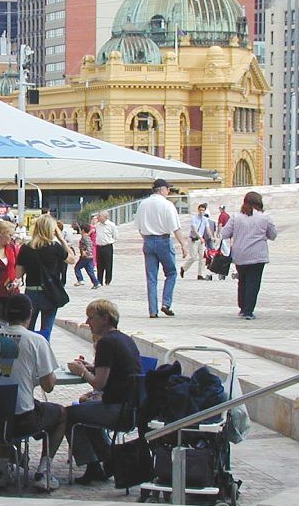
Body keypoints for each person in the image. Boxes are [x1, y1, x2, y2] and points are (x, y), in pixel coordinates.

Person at [0, 294, 65, 490]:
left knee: (4, 404)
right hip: (22, 421)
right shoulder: (36, 341)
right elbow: (49, 385)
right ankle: (43, 471)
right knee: (61, 414)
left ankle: (1, 468)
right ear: (29, 315)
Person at [65, 299, 141, 484]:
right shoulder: (124, 339)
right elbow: (114, 370)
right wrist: (91, 367)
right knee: (85, 413)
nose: (87, 322)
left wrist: (82, 372)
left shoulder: (106, 343)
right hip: (132, 408)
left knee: (67, 414)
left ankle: (94, 465)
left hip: (117, 409)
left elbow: (99, 384)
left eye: (91, 318)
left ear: (105, 319)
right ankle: (108, 458)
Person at [15, 214, 75, 341]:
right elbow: (71, 259)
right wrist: (62, 240)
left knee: (27, 330)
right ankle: (43, 355)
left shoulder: (26, 248)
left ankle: (28, 355)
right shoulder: (55, 247)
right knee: (46, 330)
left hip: (31, 291)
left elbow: (18, 274)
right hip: (50, 291)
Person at [136, 178, 187, 318]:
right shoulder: (167, 205)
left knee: (151, 278)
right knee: (171, 273)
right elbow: (175, 227)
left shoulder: (143, 204)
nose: (168, 191)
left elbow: (139, 227)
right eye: (168, 189)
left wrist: (147, 238)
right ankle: (166, 303)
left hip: (148, 240)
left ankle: (153, 310)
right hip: (163, 240)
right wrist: (183, 244)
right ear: (163, 189)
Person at [221, 191, 278, 319]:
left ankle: (242, 307)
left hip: (240, 255)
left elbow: (224, 234)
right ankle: (248, 310)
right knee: (254, 282)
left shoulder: (236, 217)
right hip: (258, 255)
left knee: (242, 281)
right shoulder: (265, 217)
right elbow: (273, 235)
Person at [181, 202, 213, 281]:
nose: (201, 212)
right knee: (194, 257)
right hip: (194, 239)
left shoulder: (205, 219)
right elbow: (194, 230)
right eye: (200, 210)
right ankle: (184, 268)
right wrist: (200, 237)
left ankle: (200, 274)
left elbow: (208, 229)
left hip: (201, 241)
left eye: (203, 210)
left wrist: (212, 236)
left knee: (202, 257)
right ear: (198, 210)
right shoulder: (194, 218)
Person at [73, 223, 100, 288]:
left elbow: (88, 246)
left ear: (82, 230)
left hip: (85, 257)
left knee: (77, 268)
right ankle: (96, 282)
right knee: (90, 271)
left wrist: (85, 252)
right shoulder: (87, 237)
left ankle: (80, 279)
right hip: (90, 257)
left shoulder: (85, 237)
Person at [94, 211, 117, 285]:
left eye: (100, 216)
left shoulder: (111, 225)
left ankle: (108, 280)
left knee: (108, 264)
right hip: (99, 246)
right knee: (99, 265)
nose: (98, 217)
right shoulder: (97, 225)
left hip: (107, 246)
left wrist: (110, 241)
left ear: (105, 217)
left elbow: (115, 236)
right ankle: (99, 280)